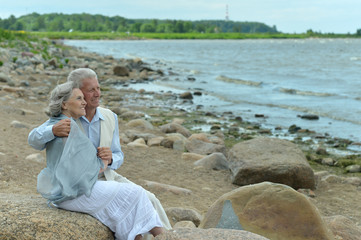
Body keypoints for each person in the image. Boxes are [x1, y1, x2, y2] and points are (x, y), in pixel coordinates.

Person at [28, 68, 172, 233]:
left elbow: (118, 155)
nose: (97, 94)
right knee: (136, 199)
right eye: (90, 90)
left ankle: (169, 235)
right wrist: (52, 130)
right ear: (74, 92)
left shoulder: (110, 116)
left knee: (150, 199)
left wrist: (110, 159)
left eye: (98, 88)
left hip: (107, 176)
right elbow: (34, 139)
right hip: (77, 183)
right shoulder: (66, 119)